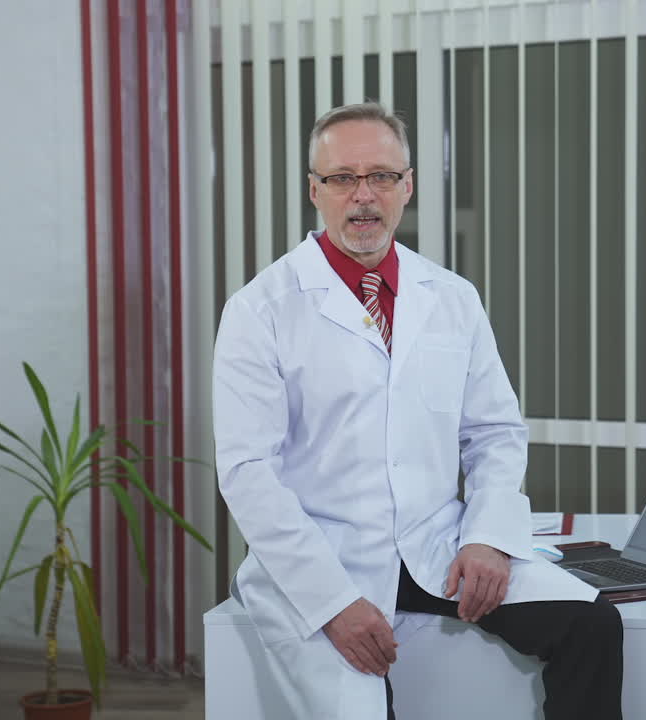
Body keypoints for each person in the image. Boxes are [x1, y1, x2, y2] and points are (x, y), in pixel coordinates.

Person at [213, 102, 623, 720]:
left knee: (591, 626)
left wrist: (487, 537)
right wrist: (331, 603)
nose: (363, 196)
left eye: (381, 176)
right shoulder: (260, 310)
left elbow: (494, 431)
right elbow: (248, 473)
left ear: (407, 186)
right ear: (314, 191)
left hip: (436, 545)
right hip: (325, 558)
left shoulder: (452, 297)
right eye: (342, 178)